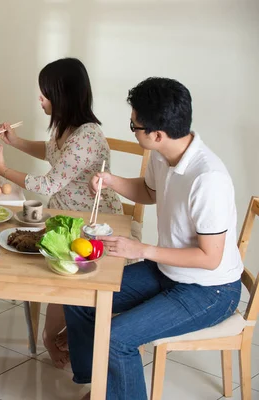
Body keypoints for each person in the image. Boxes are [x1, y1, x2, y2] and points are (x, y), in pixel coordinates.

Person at [64, 77, 243, 400]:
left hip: (210, 289)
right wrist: (111, 181)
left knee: (117, 338)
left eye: (134, 126)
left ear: (157, 134)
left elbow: (209, 258)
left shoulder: (208, 179)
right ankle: (102, 387)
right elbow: (149, 191)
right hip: (169, 273)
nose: (132, 129)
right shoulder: (164, 154)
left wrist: (142, 249)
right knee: (80, 296)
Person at [0, 58, 123, 368]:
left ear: (62, 95)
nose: (39, 99)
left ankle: (52, 335)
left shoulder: (86, 137)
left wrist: (0, 168)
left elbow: (47, 183)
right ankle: (59, 333)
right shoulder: (66, 126)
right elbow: (51, 151)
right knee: (41, 256)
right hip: (67, 215)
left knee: (56, 270)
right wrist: (14, 142)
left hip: (92, 222)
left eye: (44, 94)